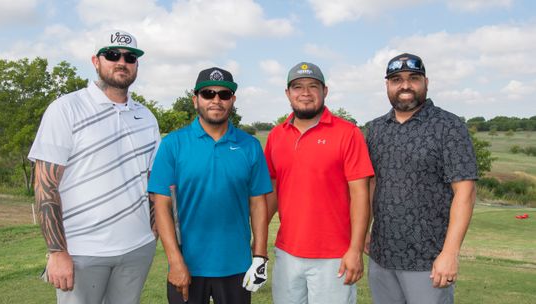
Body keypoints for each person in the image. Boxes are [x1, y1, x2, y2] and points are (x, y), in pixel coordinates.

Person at [29, 29, 160, 303]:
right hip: (82, 251)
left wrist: (154, 229)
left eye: (130, 57)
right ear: (95, 61)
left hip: (138, 248)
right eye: (112, 55)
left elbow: (152, 179)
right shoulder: (66, 108)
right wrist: (57, 252)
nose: (122, 61)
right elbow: (45, 186)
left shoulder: (146, 116)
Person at [147, 67, 271, 304]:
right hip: (187, 265)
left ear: (232, 100)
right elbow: (161, 206)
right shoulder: (173, 144)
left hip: (236, 265)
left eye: (224, 95)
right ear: (196, 100)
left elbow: (257, 203)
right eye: (208, 94)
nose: (216, 100)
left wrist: (260, 256)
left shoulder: (250, 146)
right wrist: (175, 261)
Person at [365, 53, 478, 304]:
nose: (405, 85)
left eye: (413, 78)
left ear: (426, 82)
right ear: (387, 85)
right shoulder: (375, 129)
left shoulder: (448, 126)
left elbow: (465, 192)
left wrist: (450, 253)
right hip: (382, 256)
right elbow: (373, 184)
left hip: (428, 261)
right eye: (397, 79)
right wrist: (365, 230)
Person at [264, 62, 375, 304]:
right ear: (288, 93)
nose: (305, 93)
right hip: (287, 252)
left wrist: (355, 250)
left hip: (334, 255)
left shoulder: (348, 133)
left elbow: (360, 195)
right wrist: (259, 237)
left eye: (313, 86)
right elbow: (272, 189)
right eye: (298, 87)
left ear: (325, 91)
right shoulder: (276, 135)